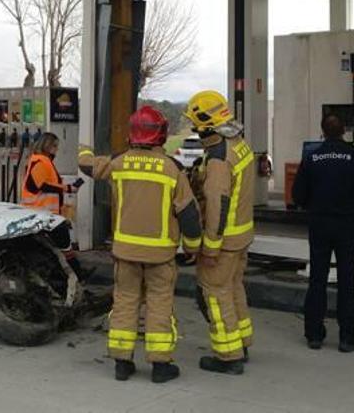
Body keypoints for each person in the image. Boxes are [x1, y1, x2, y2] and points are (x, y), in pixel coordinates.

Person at [78, 106, 202, 384]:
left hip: (125, 253)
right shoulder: (172, 169)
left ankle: (122, 363)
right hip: (160, 255)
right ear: (161, 135)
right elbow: (189, 214)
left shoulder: (118, 163)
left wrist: (83, 145)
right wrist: (193, 247)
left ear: (133, 134)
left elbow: (87, 164)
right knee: (159, 305)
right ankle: (160, 367)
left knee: (124, 302)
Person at [183, 90, 256, 375]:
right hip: (242, 236)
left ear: (205, 122)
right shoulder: (239, 144)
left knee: (216, 295)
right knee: (235, 289)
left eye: (196, 124)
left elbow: (217, 204)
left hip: (223, 241)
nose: (195, 130)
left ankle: (228, 356)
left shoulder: (218, 157)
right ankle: (242, 342)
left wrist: (210, 246)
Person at [292, 114, 354, 352]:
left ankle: (314, 334)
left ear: (323, 132)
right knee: (347, 281)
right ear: (344, 132)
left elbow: (298, 195)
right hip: (348, 225)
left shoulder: (312, 158)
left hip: (319, 224)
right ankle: (348, 337)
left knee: (317, 279)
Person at [21, 132, 77, 215]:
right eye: (54, 146)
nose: (57, 149)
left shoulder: (44, 161)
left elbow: (51, 183)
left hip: (43, 213)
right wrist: (67, 188)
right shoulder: (40, 162)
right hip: (39, 213)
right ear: (47, 146)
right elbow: (43, 185)